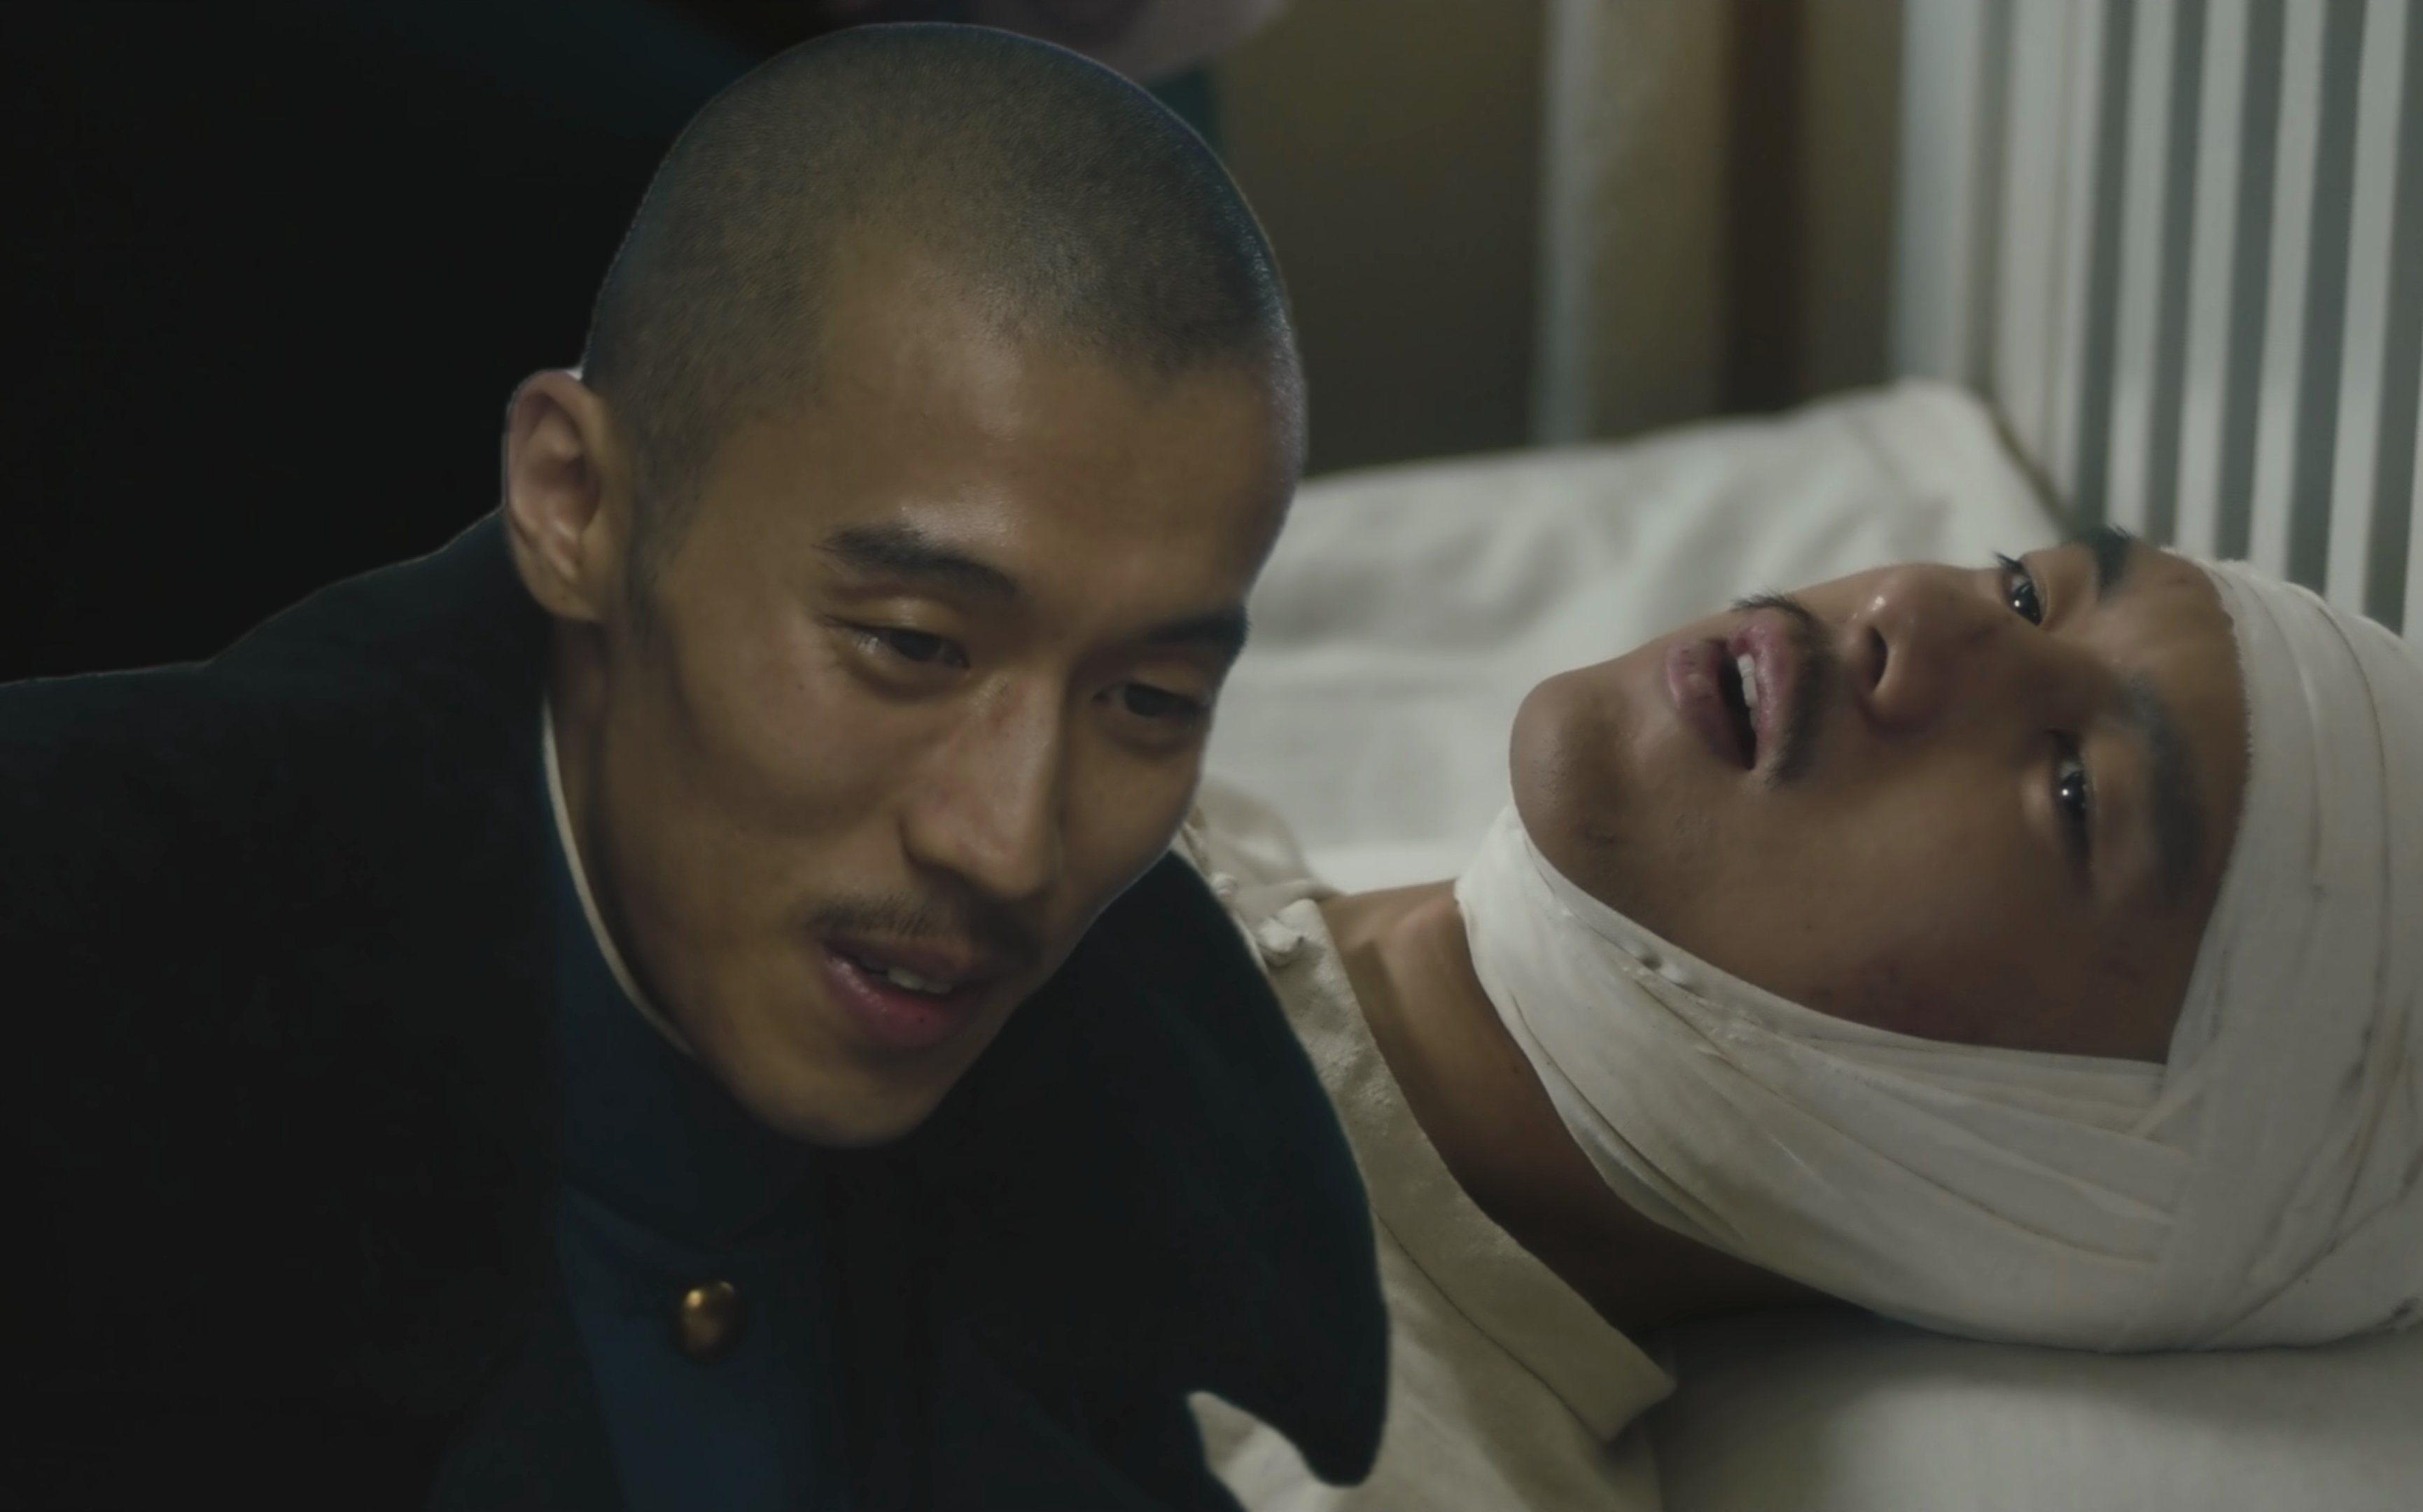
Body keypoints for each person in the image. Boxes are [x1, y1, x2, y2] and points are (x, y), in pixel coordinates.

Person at [2, 25, 1388, 1511]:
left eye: (1149, 701)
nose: (1007, 845)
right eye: (911, 644)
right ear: (576, 501)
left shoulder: (1142, 1161)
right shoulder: (79, 972)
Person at [1185, 526, 2423, 1511]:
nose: (1914, 603)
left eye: (2076, 794)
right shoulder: (1152, 785)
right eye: (2027, 593)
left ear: (2056, 1167)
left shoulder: (1284, 1452)